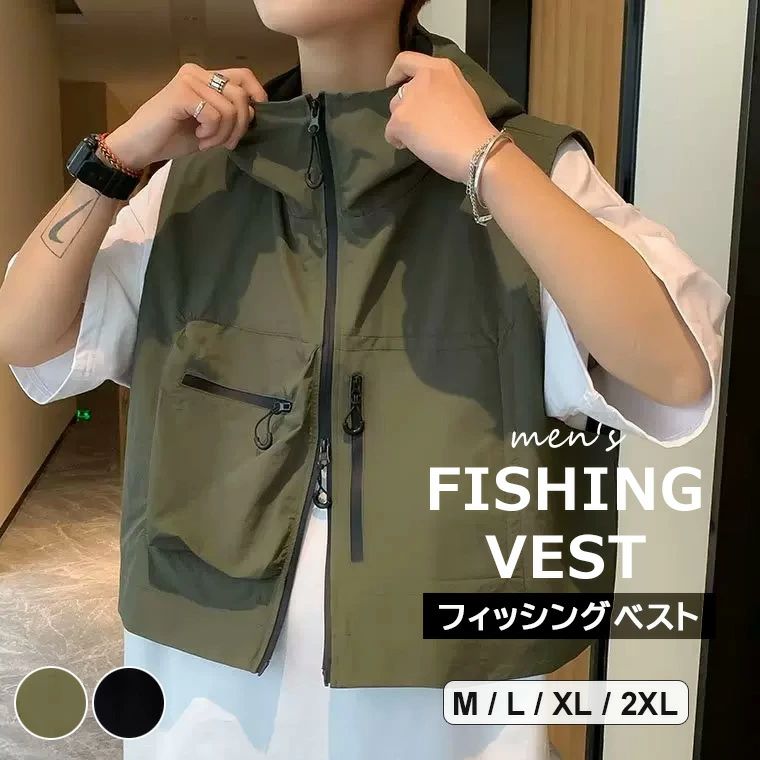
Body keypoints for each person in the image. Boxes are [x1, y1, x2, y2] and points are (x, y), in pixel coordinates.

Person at [0, 1, 728, 758]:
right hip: (204, 690)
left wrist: (487, 159)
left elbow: (676, 371)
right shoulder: (195, 181)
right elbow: (25, 336)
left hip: (441, 709)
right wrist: (117, 158)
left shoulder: (527, 165)